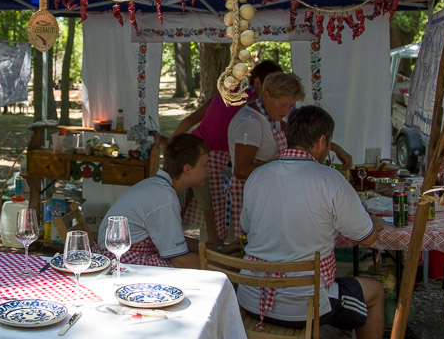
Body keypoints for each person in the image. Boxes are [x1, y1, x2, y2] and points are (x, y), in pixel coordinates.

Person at [238, 106, 402, 339]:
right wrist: (374, 223)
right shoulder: (330, 180)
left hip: (252, 297)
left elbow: (248, 228)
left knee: (278, 261)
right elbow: (366, 237)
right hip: (303, 307)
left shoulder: (258, 176)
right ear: (322, 141)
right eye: (329, 143)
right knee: (375, 292)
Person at [171, 60, 283, 245]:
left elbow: (190, 120)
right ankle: (209, 251)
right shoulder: (253, 104)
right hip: (207, 158)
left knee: (185, 206)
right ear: (257, 83)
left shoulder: (225, 93)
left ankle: (176, 242)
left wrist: (173, 146)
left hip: (191, 151)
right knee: (212, 214)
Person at [99, 134, 239, 268]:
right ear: (187, 169)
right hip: (120, 262)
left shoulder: (159, 186)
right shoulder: (165, 197)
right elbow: (181, 261)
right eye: (205, 164)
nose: (209, 170)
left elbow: (176, 240)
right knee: (176, 268)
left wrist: (220, 248)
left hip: (119, 254)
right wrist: (231, 266)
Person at [223, 72, 305, 241]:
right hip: (251, 195)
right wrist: (282, 166)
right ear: (266, 95)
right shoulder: (250, 122)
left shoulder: (272, 117)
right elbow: (241, 170)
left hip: (267, 192)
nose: (286, 111)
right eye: (283, 104)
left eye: (291, 106)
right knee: (255, 243)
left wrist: (333, 147)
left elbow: (296, 138)